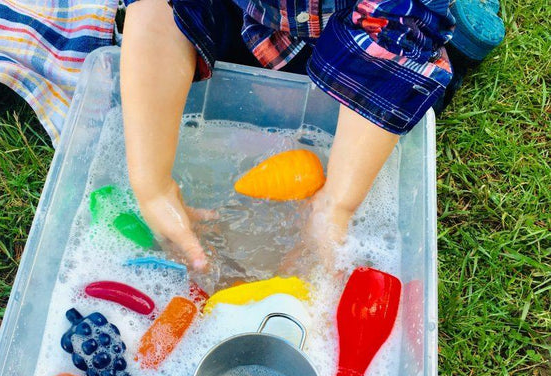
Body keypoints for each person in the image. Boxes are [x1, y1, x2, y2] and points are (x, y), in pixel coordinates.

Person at [120, 0, 454, 272]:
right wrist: (152, 186)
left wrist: (335, 205)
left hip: (360, 36)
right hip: (248, 19)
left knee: (417, 96)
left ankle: (455, 26)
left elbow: (401, 33)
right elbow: (156, 10)